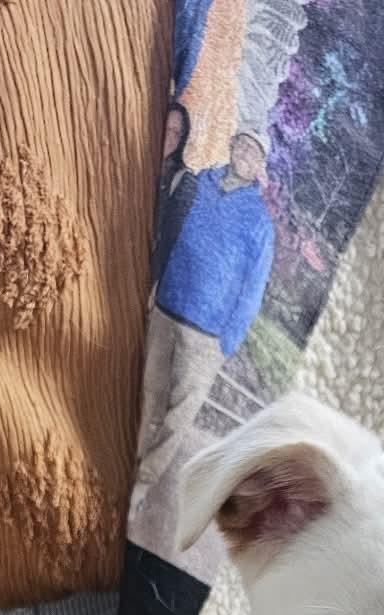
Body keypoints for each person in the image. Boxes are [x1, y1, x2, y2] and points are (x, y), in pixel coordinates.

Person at [136, 132, 275, 490]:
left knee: (178, 413)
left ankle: (144, 481)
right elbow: (169, 234)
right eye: (243, 145)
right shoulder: (199, 183)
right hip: (168, 307)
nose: (246, 154)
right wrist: (156, 287)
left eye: (254, 152)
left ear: (260, 166)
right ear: (232, 146)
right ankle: (130, 462)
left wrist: (227, 342)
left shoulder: (259, 221)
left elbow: (253, 290)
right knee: (149, 393)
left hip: (207, 335)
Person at [155, 102, 197, 278]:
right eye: (167, 127)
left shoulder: (184, 180)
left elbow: (168, 240)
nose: (169, 136)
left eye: (176, 132)